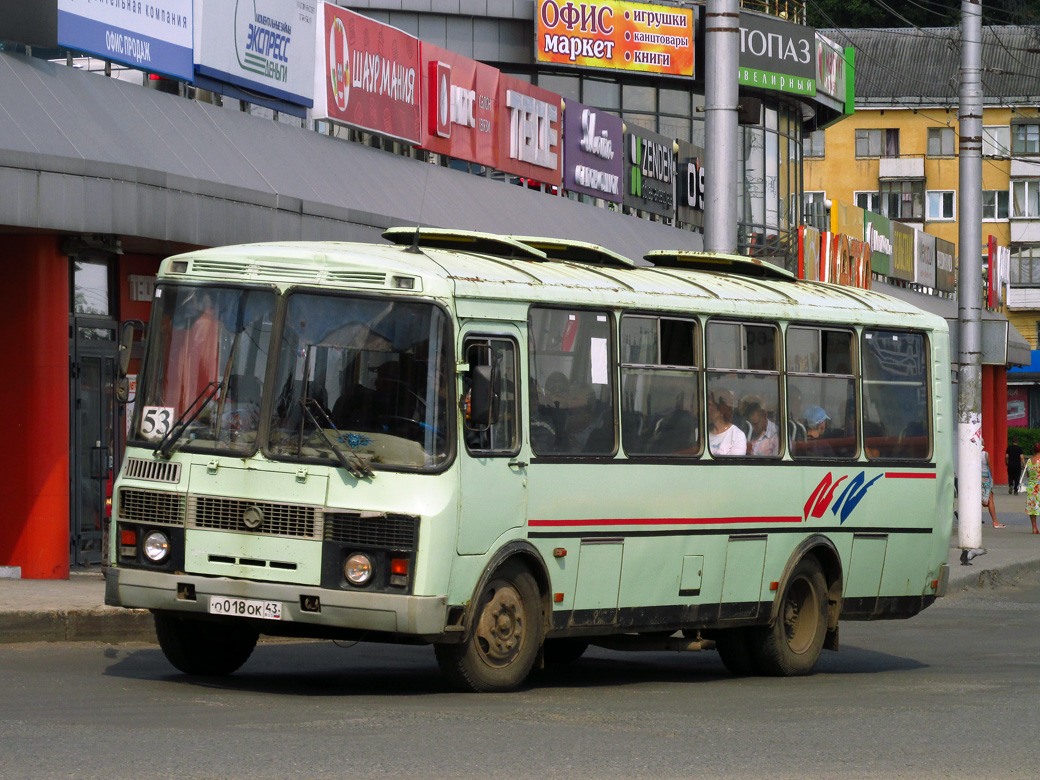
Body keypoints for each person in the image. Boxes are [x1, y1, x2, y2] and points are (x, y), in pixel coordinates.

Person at [708, 389, 747, 456]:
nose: (705, 408)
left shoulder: (737, 435)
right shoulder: (700, 432)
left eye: (709, 405)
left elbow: (735, 464)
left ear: (721, 409)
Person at [981, 437, 1005, 528]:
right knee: (990, 498)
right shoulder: (985, 454)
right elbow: (989, 467)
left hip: (975, 478)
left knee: (975, 498)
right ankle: (995, 521)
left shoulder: (971, 454)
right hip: (986, 479)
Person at [1023, 442, 1040, 534]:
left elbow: (1028, 474)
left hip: (1032, 487)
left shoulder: (1029, 460)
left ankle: (1034, 527)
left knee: (1033, 507)